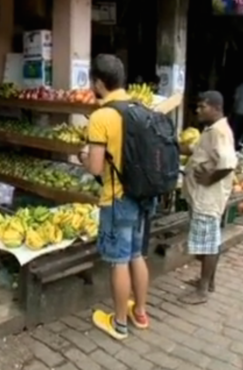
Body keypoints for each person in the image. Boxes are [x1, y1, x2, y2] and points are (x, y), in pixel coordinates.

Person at [78, 54, 150, 340]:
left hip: (117, 199)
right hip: (143, 196)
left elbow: (95, 167)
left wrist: (83, 156)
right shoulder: (141, 108)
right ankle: (140, 313)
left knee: (119, 260)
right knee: (136, 254)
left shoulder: (101, 116)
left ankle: (119, 323)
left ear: (98, 82)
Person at [180, 91, 237, 304]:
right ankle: (207, 281)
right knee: (207, 240)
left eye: (202, 106)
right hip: (201, 196)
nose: (198, 110)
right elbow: (197, 151)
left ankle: (202, 290)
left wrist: (210, 178)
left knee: (208, 243)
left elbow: (229, 163)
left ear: (215, 108)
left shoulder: (219, 132)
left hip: (208, 197)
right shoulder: (211, 131)